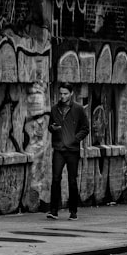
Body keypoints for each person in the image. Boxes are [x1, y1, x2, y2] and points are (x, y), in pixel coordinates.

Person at [47, 83, 90, 220]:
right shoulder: (54, 109)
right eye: (61, 93)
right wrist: (52, 128)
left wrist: (75, 139)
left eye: (65, 93)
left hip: (72, 150)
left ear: (71, 93)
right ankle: (54, 211)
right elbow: (50, 126)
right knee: (55, 179)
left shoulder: (78, 109)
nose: (62, 96)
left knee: (72, 181)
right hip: (59, 149)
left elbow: (85, 128)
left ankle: (73, 212)